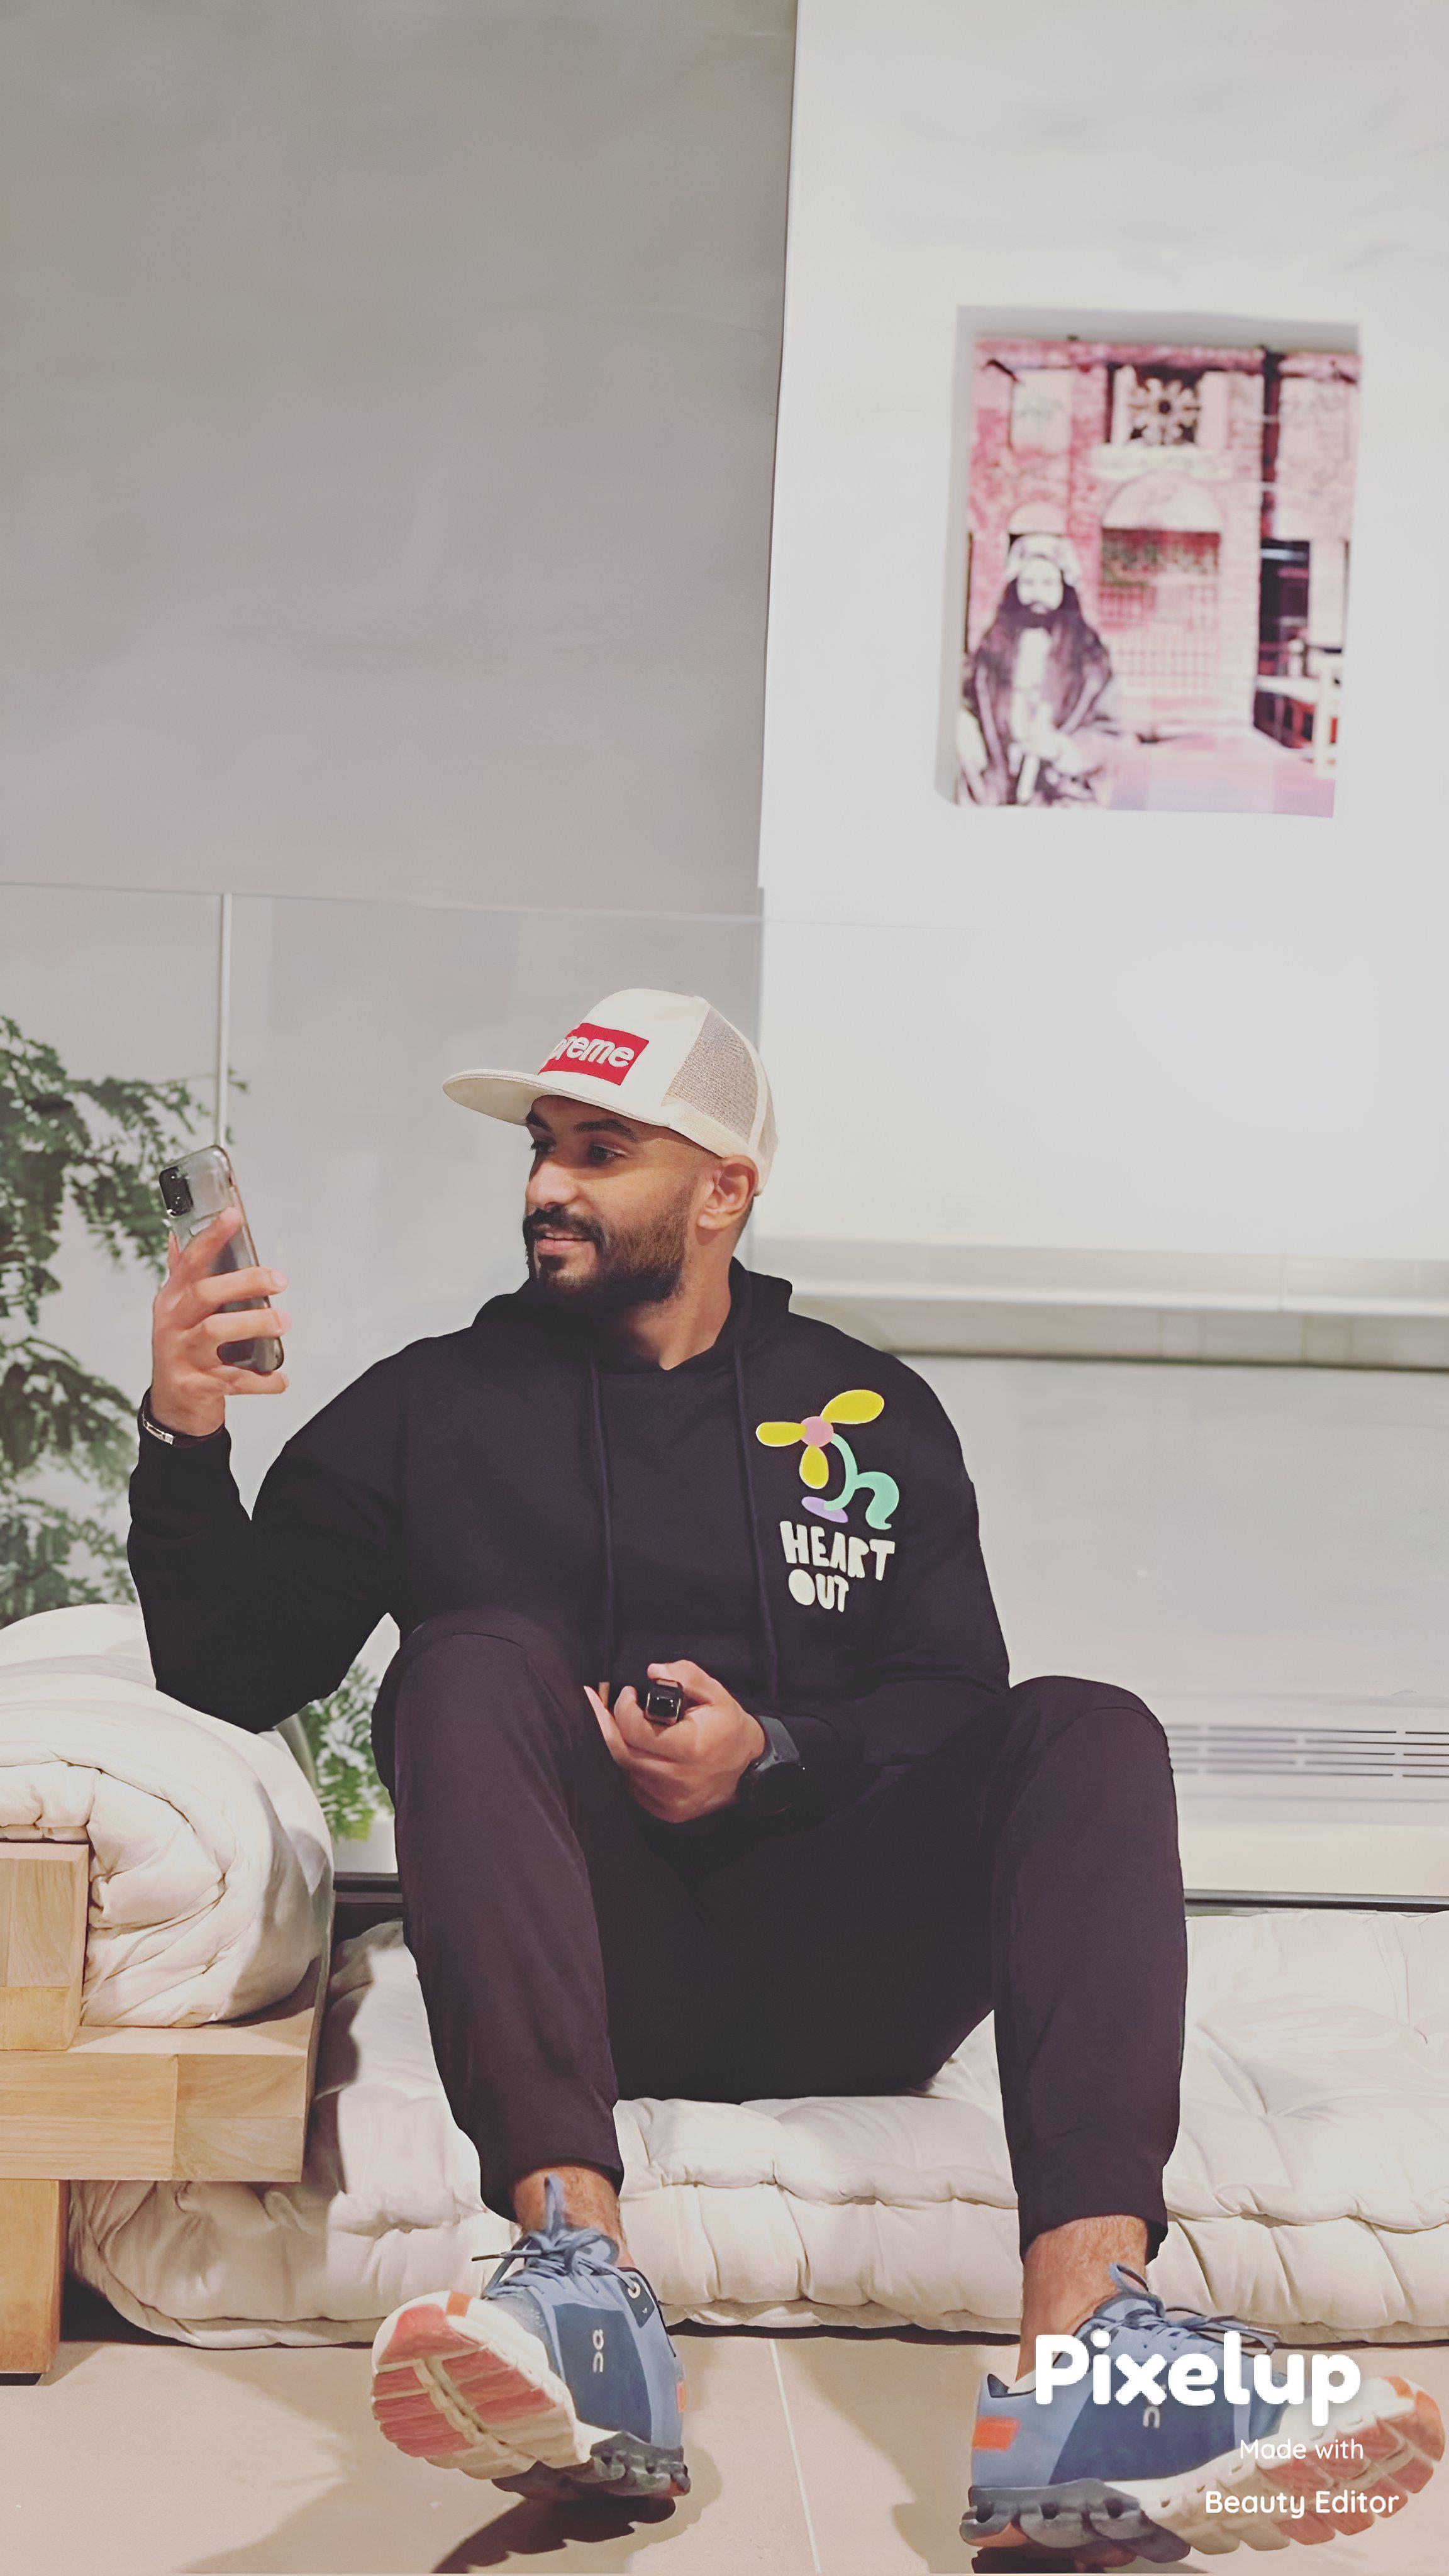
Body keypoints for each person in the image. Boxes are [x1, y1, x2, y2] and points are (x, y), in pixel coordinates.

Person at [129, 988, 1441, 2556]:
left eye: (599, 1150)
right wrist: (185, 1432)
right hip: (592, 1982)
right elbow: (232, 1671)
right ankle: (580, 2308)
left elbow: (954, 1700)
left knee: (1089, 1724)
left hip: (851, 1974)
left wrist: (776, 1754)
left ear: (723, 1189)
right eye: (542, 1147)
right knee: (465, 1658)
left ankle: (1094, 2356)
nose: (546, 1184)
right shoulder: (427, 1408)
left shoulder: (867, 1409)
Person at [958, 531, 1123, 808]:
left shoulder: (1089, 657)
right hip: (994, 785)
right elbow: (967, 703)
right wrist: (966, 730)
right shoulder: (993, 647)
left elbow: (1109, 732)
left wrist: (1059, 749)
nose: (1037, 593)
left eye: (1048, 583)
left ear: (1063, 588)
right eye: (1029, 583)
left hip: (1061, 791)